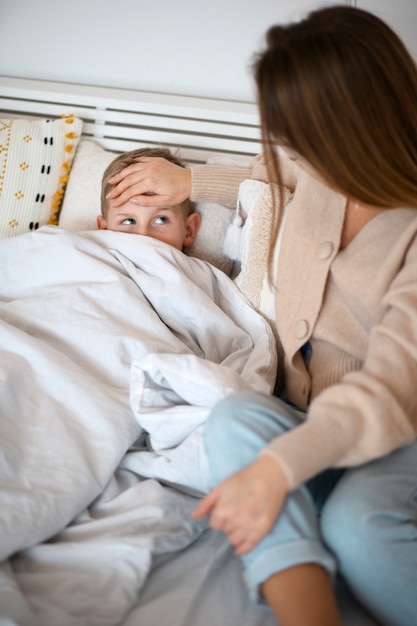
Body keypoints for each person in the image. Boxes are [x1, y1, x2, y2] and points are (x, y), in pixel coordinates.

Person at [105, 6, 417, 626]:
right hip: (305, 415)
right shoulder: (316, 173)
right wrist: (185, 178)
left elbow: (390, 392)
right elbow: (265, 173)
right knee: (233, 416)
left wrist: (279, 466)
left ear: (350, 128)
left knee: (359, 526)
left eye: (297, 133)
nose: (285, 148)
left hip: (395, 427)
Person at [98, 147, 201, 251]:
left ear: (189, 230)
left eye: (161, 220)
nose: (144, 236)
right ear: (103, 230)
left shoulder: (197, 268)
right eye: (128, 221)